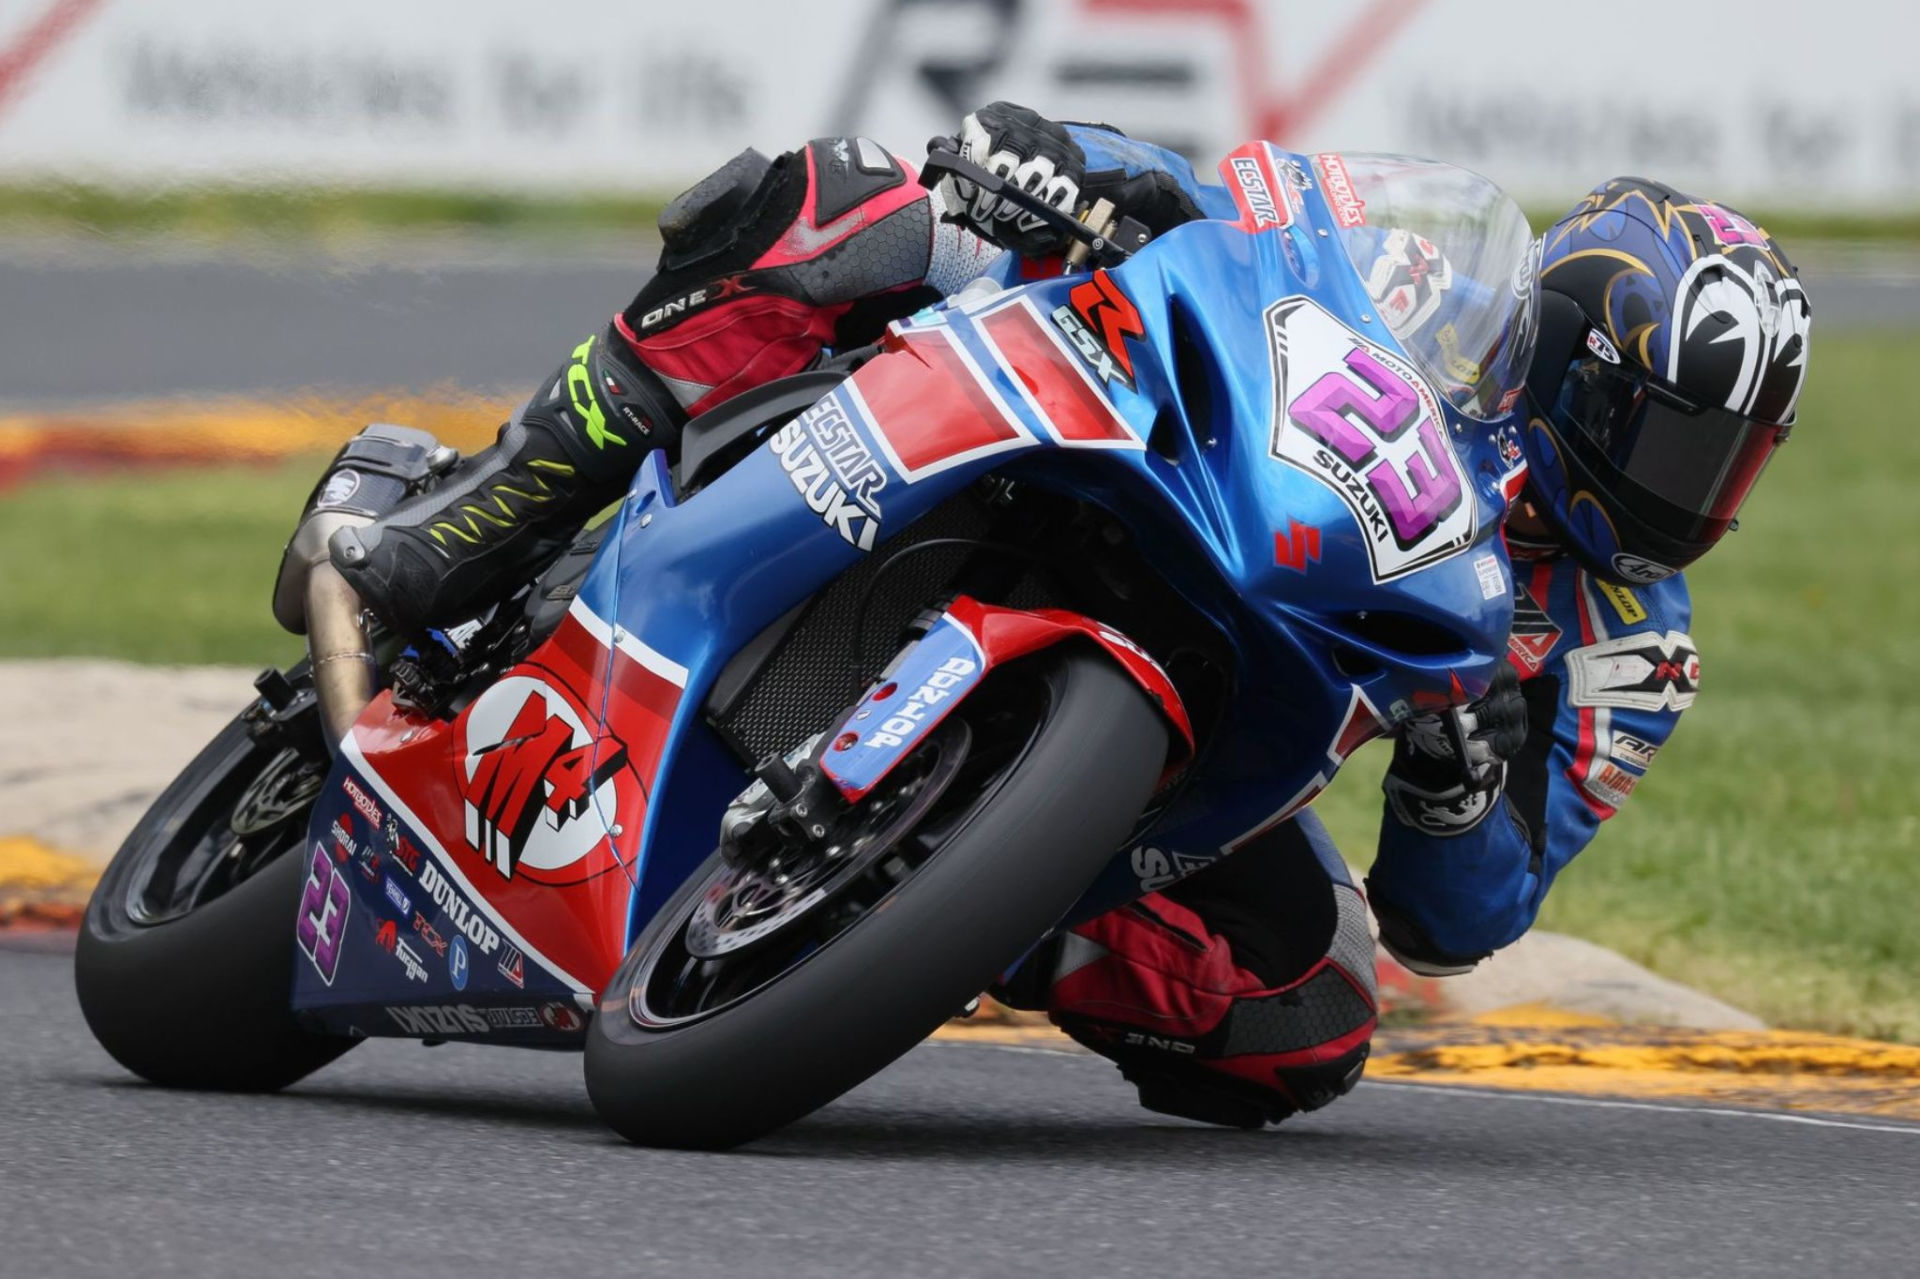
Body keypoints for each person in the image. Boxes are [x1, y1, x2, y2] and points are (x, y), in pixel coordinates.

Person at [316, 105, 1813, 1128]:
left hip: (1234, 713)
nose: (1685, 494)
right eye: (1670, 437)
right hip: (1129, 446)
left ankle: (960, 909)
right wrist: (1080, 166)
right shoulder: (1431, 276)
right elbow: (1244, 213)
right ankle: (487, 510)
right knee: (852, 208)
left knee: (1317, 1008)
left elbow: (1467, 913)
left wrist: (1455, 783)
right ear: (1575, 356)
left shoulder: (1633, 645)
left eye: (1725, 465)